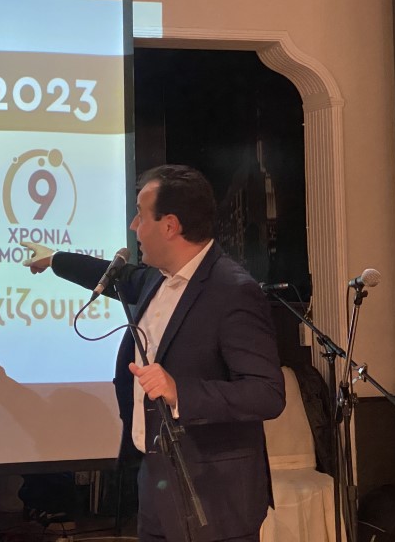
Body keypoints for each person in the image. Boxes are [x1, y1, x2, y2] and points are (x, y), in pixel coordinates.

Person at [22, 164, 285, 542]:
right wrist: (53, 259)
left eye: (141, 216)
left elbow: (266, 393)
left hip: (214, 497)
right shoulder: (153, 279)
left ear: (170, 226)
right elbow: (115, 275)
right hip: (155, 483)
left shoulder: (233, 291)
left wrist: (180, 391)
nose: (133, 226)